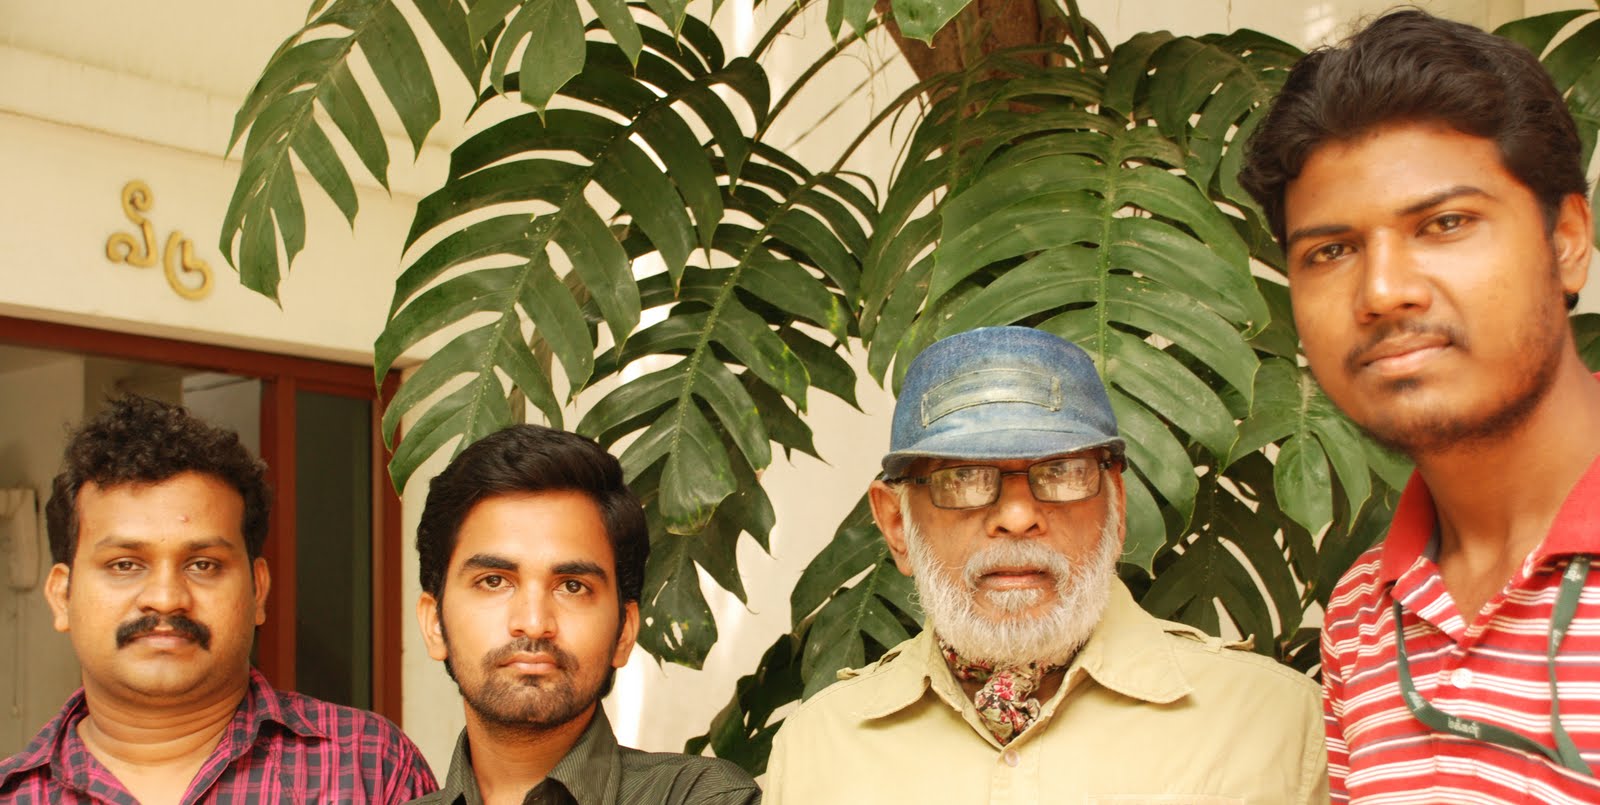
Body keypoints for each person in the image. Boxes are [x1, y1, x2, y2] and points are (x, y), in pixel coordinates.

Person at [1239, 9, 1599, 803]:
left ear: (1568, 239)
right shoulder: (1361, 614)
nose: (1382, 291)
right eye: (1331, 250)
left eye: (1444, 223)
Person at [764, 326, 1327, 803]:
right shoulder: (819, 746)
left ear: (1116, 507)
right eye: (962, 478)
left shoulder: (1276, 722)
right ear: (895, 525)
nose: (1016, 517)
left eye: (1060, 473)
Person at [0, 395, 435, 803]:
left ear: (258, 590)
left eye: (203, 565)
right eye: (125, 565)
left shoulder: (365, 769)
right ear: (62, 596)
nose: (166, 599)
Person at [407, 424, 760, 805]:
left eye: (572, 586)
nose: (534, 623)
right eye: (494, 581)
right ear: (434, 624)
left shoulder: (704, 797)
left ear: (624, 632)